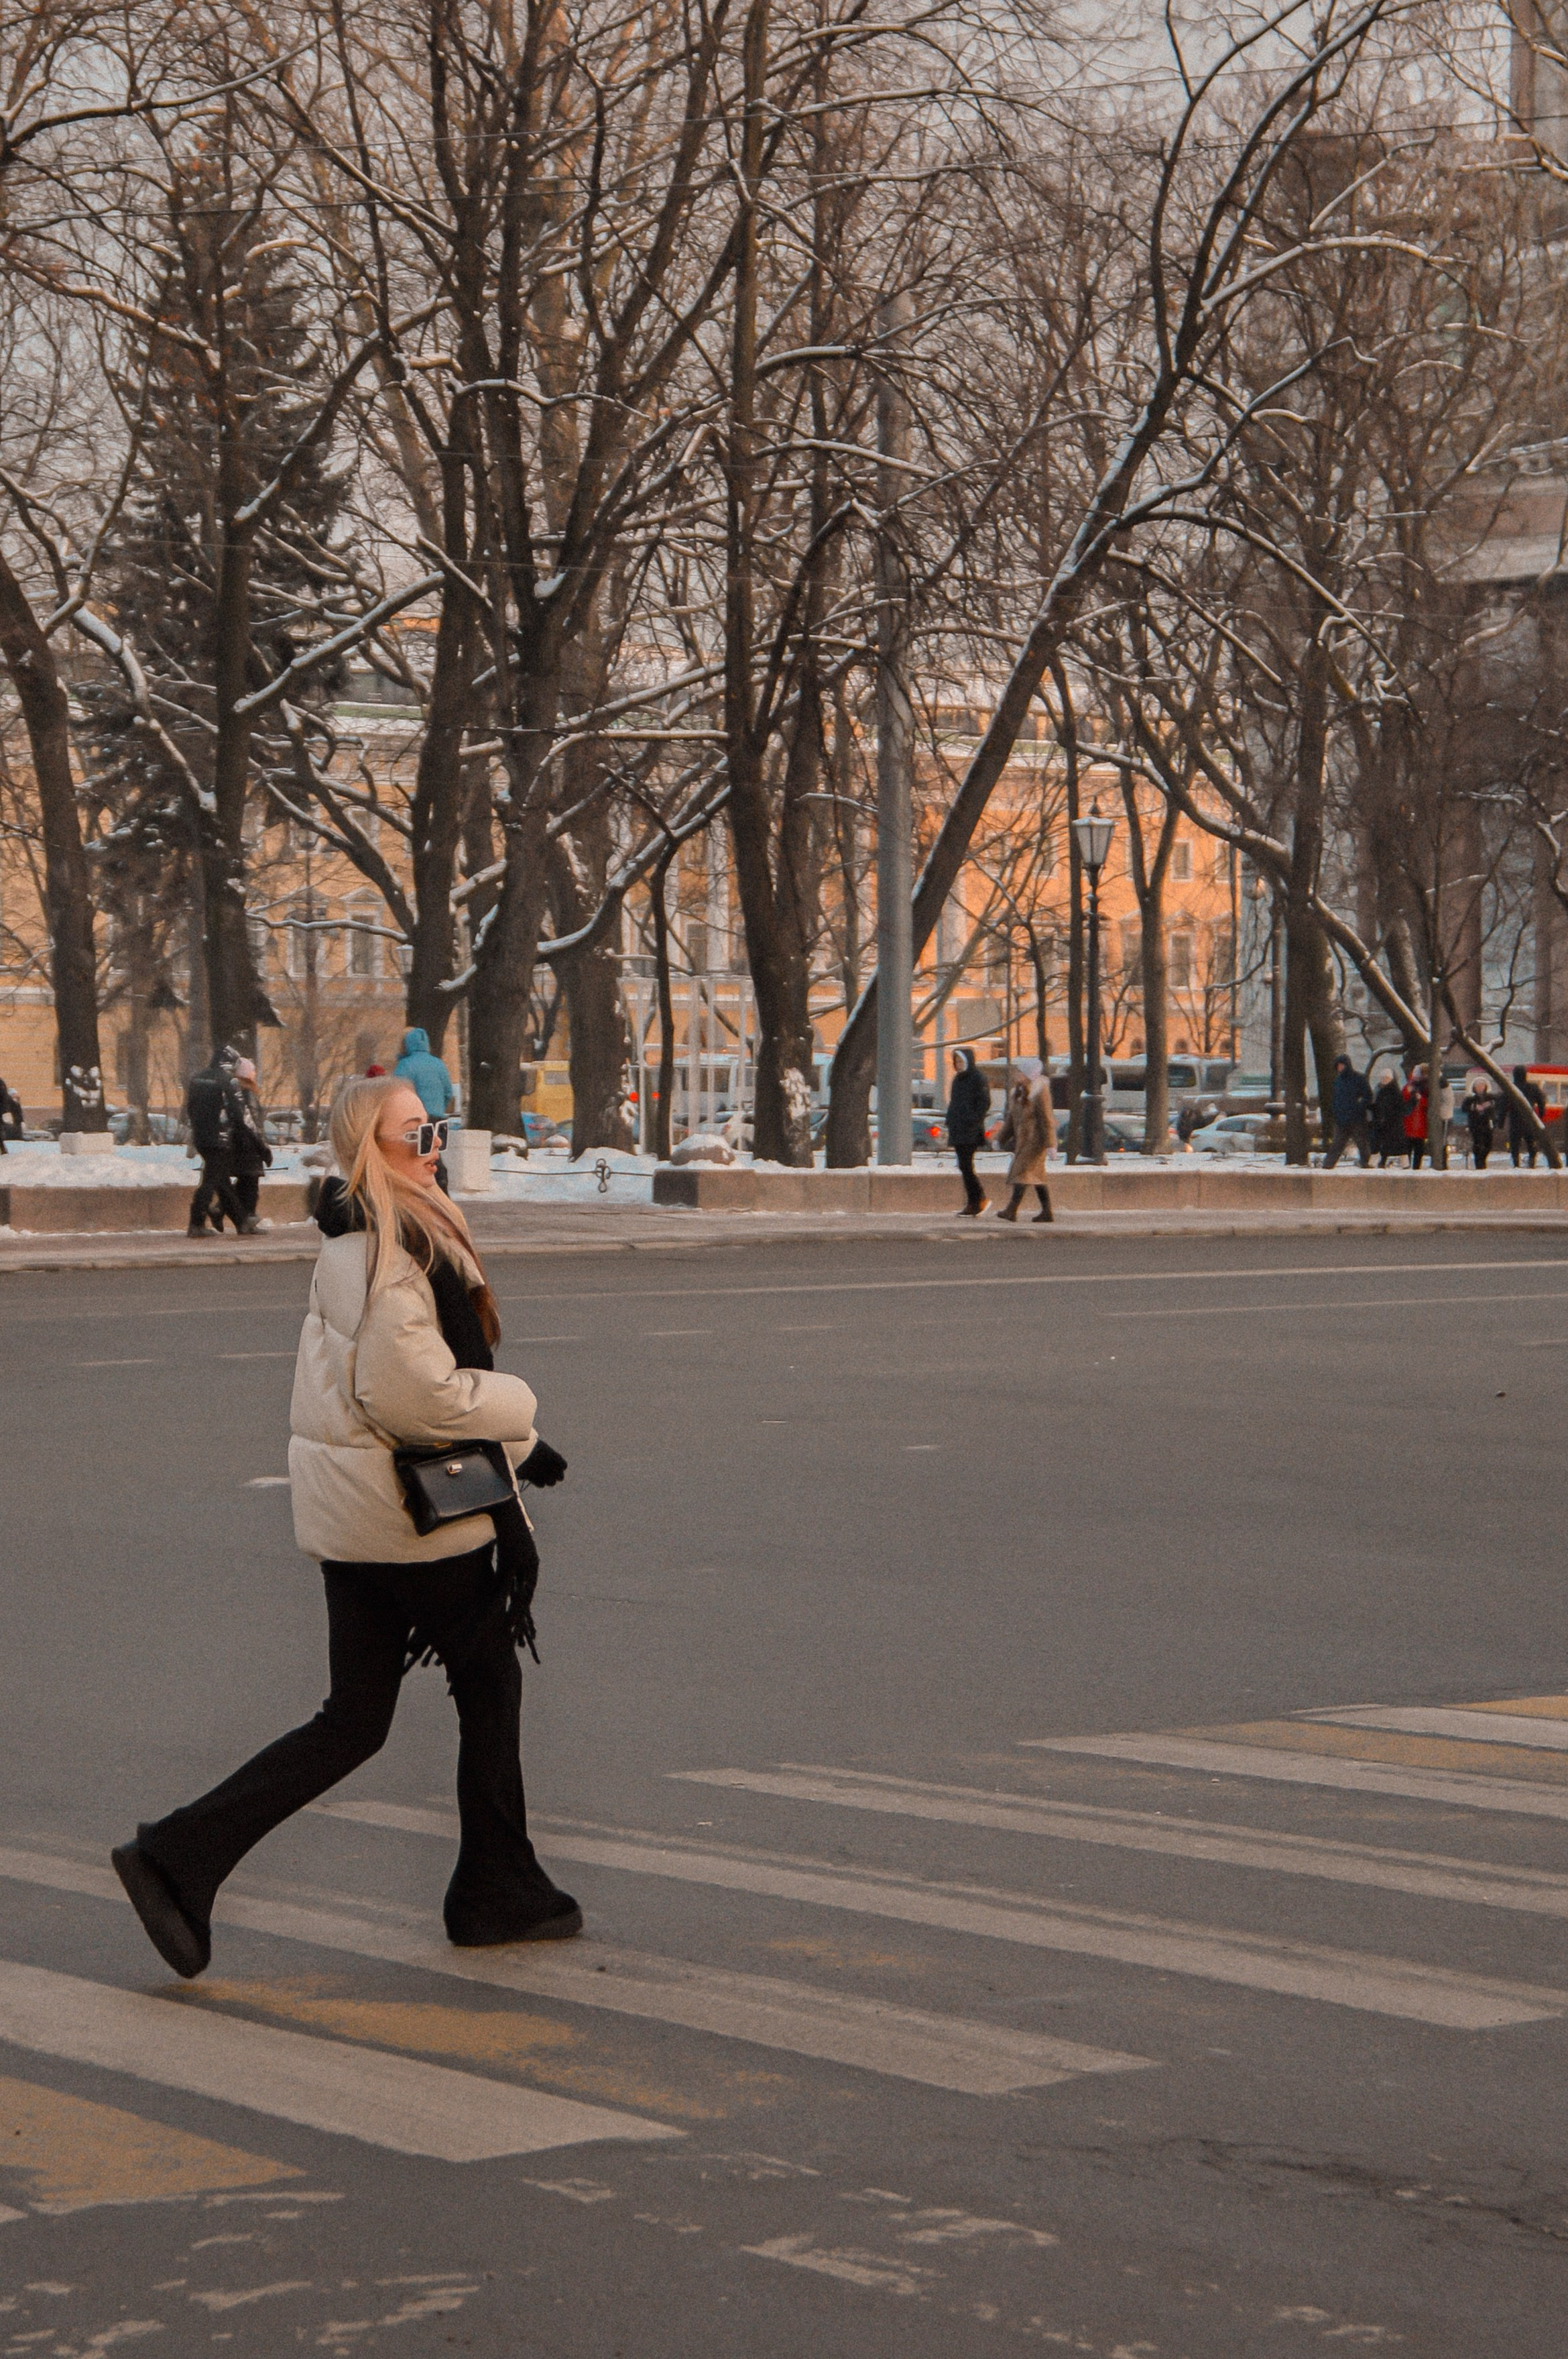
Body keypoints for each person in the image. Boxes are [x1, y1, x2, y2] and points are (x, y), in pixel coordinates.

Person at [110, 1073, 579, 1979]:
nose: (433, 1143)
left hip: (360, 1514)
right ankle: (494, 1887)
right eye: (414, 1132)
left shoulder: (363, 1237)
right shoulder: (392, 1246)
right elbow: (411, 1394)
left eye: (437, 1127)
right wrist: (518, 1411)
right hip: (409, 1519)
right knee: (484, 1681)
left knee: (354, 1719)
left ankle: (178, 1857)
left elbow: (395, 1380)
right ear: (371, 1148)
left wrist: (518, 1444)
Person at [185, 1048, 254, 1236]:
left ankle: (242, 1222)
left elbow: (189, 1108)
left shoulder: (196, 1078)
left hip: (201, 1137)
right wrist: (244, 1135)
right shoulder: (227, 1081)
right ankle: (196, 1223)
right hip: (219, 1138)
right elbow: (237, 1113)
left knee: (220, 1179)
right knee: (210, 1181)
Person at [995, 1075, 1054, 1222]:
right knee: (1036, 1177)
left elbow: (1046, 1120)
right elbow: (1010, 1121)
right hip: (1023, 1143)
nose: (1019, 1076)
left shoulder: (1040, 1092)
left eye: (1022, 1074)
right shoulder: (1018, 1094)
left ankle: (1011, 1210)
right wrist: (999, 1139)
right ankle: (1047, 1212)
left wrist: (1051, 1144)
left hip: (1036, 1143)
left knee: (1022, 1173)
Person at [946, 1047, 991, 1216]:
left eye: (960, 1062)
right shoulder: (958, 1080)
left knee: (966, 1166)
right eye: (956, 1062)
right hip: (958, 1128)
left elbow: (984, 1103)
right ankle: (975, 1200)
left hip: (970, 1130)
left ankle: (978, 1199)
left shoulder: (977, 1078)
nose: (958, 1065)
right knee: (964, 1166)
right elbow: (955, 1103)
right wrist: (951, 1119)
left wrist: (972, 1120)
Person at [230, 1057, 274, 1226]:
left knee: (243, 1183)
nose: (255, 1073)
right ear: (247, 1074)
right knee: (250, 1187)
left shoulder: (233, 1091)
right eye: (252, 1070)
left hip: (239, 1146)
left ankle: (222, 1209)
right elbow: (253, 1125)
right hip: (250, 1149)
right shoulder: (248, 1094)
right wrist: (264, 1149)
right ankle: (247, 1220)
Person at [1322, 1054, 1374, 1168]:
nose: (1340, 1068)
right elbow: (1336, 1099)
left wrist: (1359, 1107)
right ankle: (1327, 1166)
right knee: (1337, 1145)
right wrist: (1335, 1112)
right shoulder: (1338, 1081)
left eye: (1341, 1066)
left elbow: (1368, 1096)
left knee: (1362, 1143)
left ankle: (1367, 1164)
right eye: (1338, 1066)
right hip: (1341, 1119)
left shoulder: (1359, 1078)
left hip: (1357, 1118)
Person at [394, 1027, 456, 1122]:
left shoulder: (405, 1064)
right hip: (437, 1117)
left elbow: (397, 1093)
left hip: (414, 1119)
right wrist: (439, 1109)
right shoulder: (439, 1063)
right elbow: (448, 1093)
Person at [1508, 1064, 1548, 1167]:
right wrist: (1541, 1114)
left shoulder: (1510, 1087)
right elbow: (1541, 1101)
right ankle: (1532, 1160)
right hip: (1529, 1119)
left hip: (1515, 1119)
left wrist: (1501, 1119)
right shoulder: (1532, 1087)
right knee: (1531, 1142)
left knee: (1515, 1143)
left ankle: (1516, 1163)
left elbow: (1504, 1104)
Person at [1371, 1068, 1406, 1167]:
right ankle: (1377, 1163)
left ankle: (1404, 1164)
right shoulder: (1382, 1091)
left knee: (1396, 1145)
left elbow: (1399, 1107)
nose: (1384, 1080)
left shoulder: (1394, 1092)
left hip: (1392, 1122)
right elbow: (1377, 1106)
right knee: (1380, 1145)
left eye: (1386, 1078)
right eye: (1382, 1078)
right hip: (1384, 1122)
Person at [1461, 1077, 1496, 1169]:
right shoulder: (1470, 1099)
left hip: (1487, 1123)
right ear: (1474, 1088)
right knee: (1478, 1143)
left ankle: (1483, 1159)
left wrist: (1489, 1105)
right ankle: (1479, 1162)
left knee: (1488, 1144)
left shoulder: (1491, 1097)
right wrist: (1474, 1107)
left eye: (1482, 1086)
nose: (1480, 1088)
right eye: (1478, 1086)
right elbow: (1464, 1108)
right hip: (1475, 1124)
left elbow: (1498, 1106)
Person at [1402, 1066, 1429, 1169]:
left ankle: (1417, 1168)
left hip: (1421, 1124)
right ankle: (1407, 1166)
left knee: (1419, 1149)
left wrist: (1421, 1099)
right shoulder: (1408, 1087)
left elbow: (1429, 1104)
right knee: (1407, 1148)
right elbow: (1403, 1101)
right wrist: (1408, 1093)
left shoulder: (1426, 1088)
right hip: (1409, 1123)